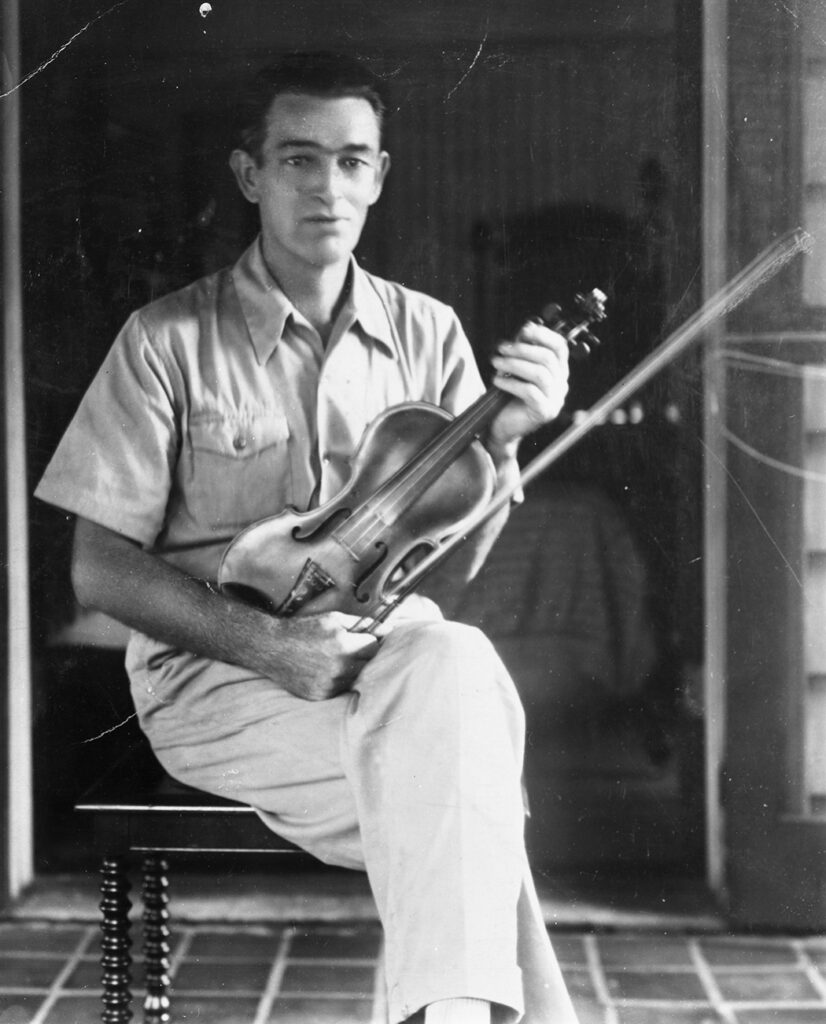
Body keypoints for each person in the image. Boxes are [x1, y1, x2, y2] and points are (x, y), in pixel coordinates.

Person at [35, 52, 580, 1024]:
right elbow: (98, 567)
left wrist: (502, 441)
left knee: (453, 656)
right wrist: (270, 644)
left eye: (350, 160)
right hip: (216, 683)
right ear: (251, 175)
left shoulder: (431, 332)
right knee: (463, 791)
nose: (326, 187)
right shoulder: (165, 340)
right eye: (298, 160)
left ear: (379, 175)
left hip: (391, 661)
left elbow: (455, 563)